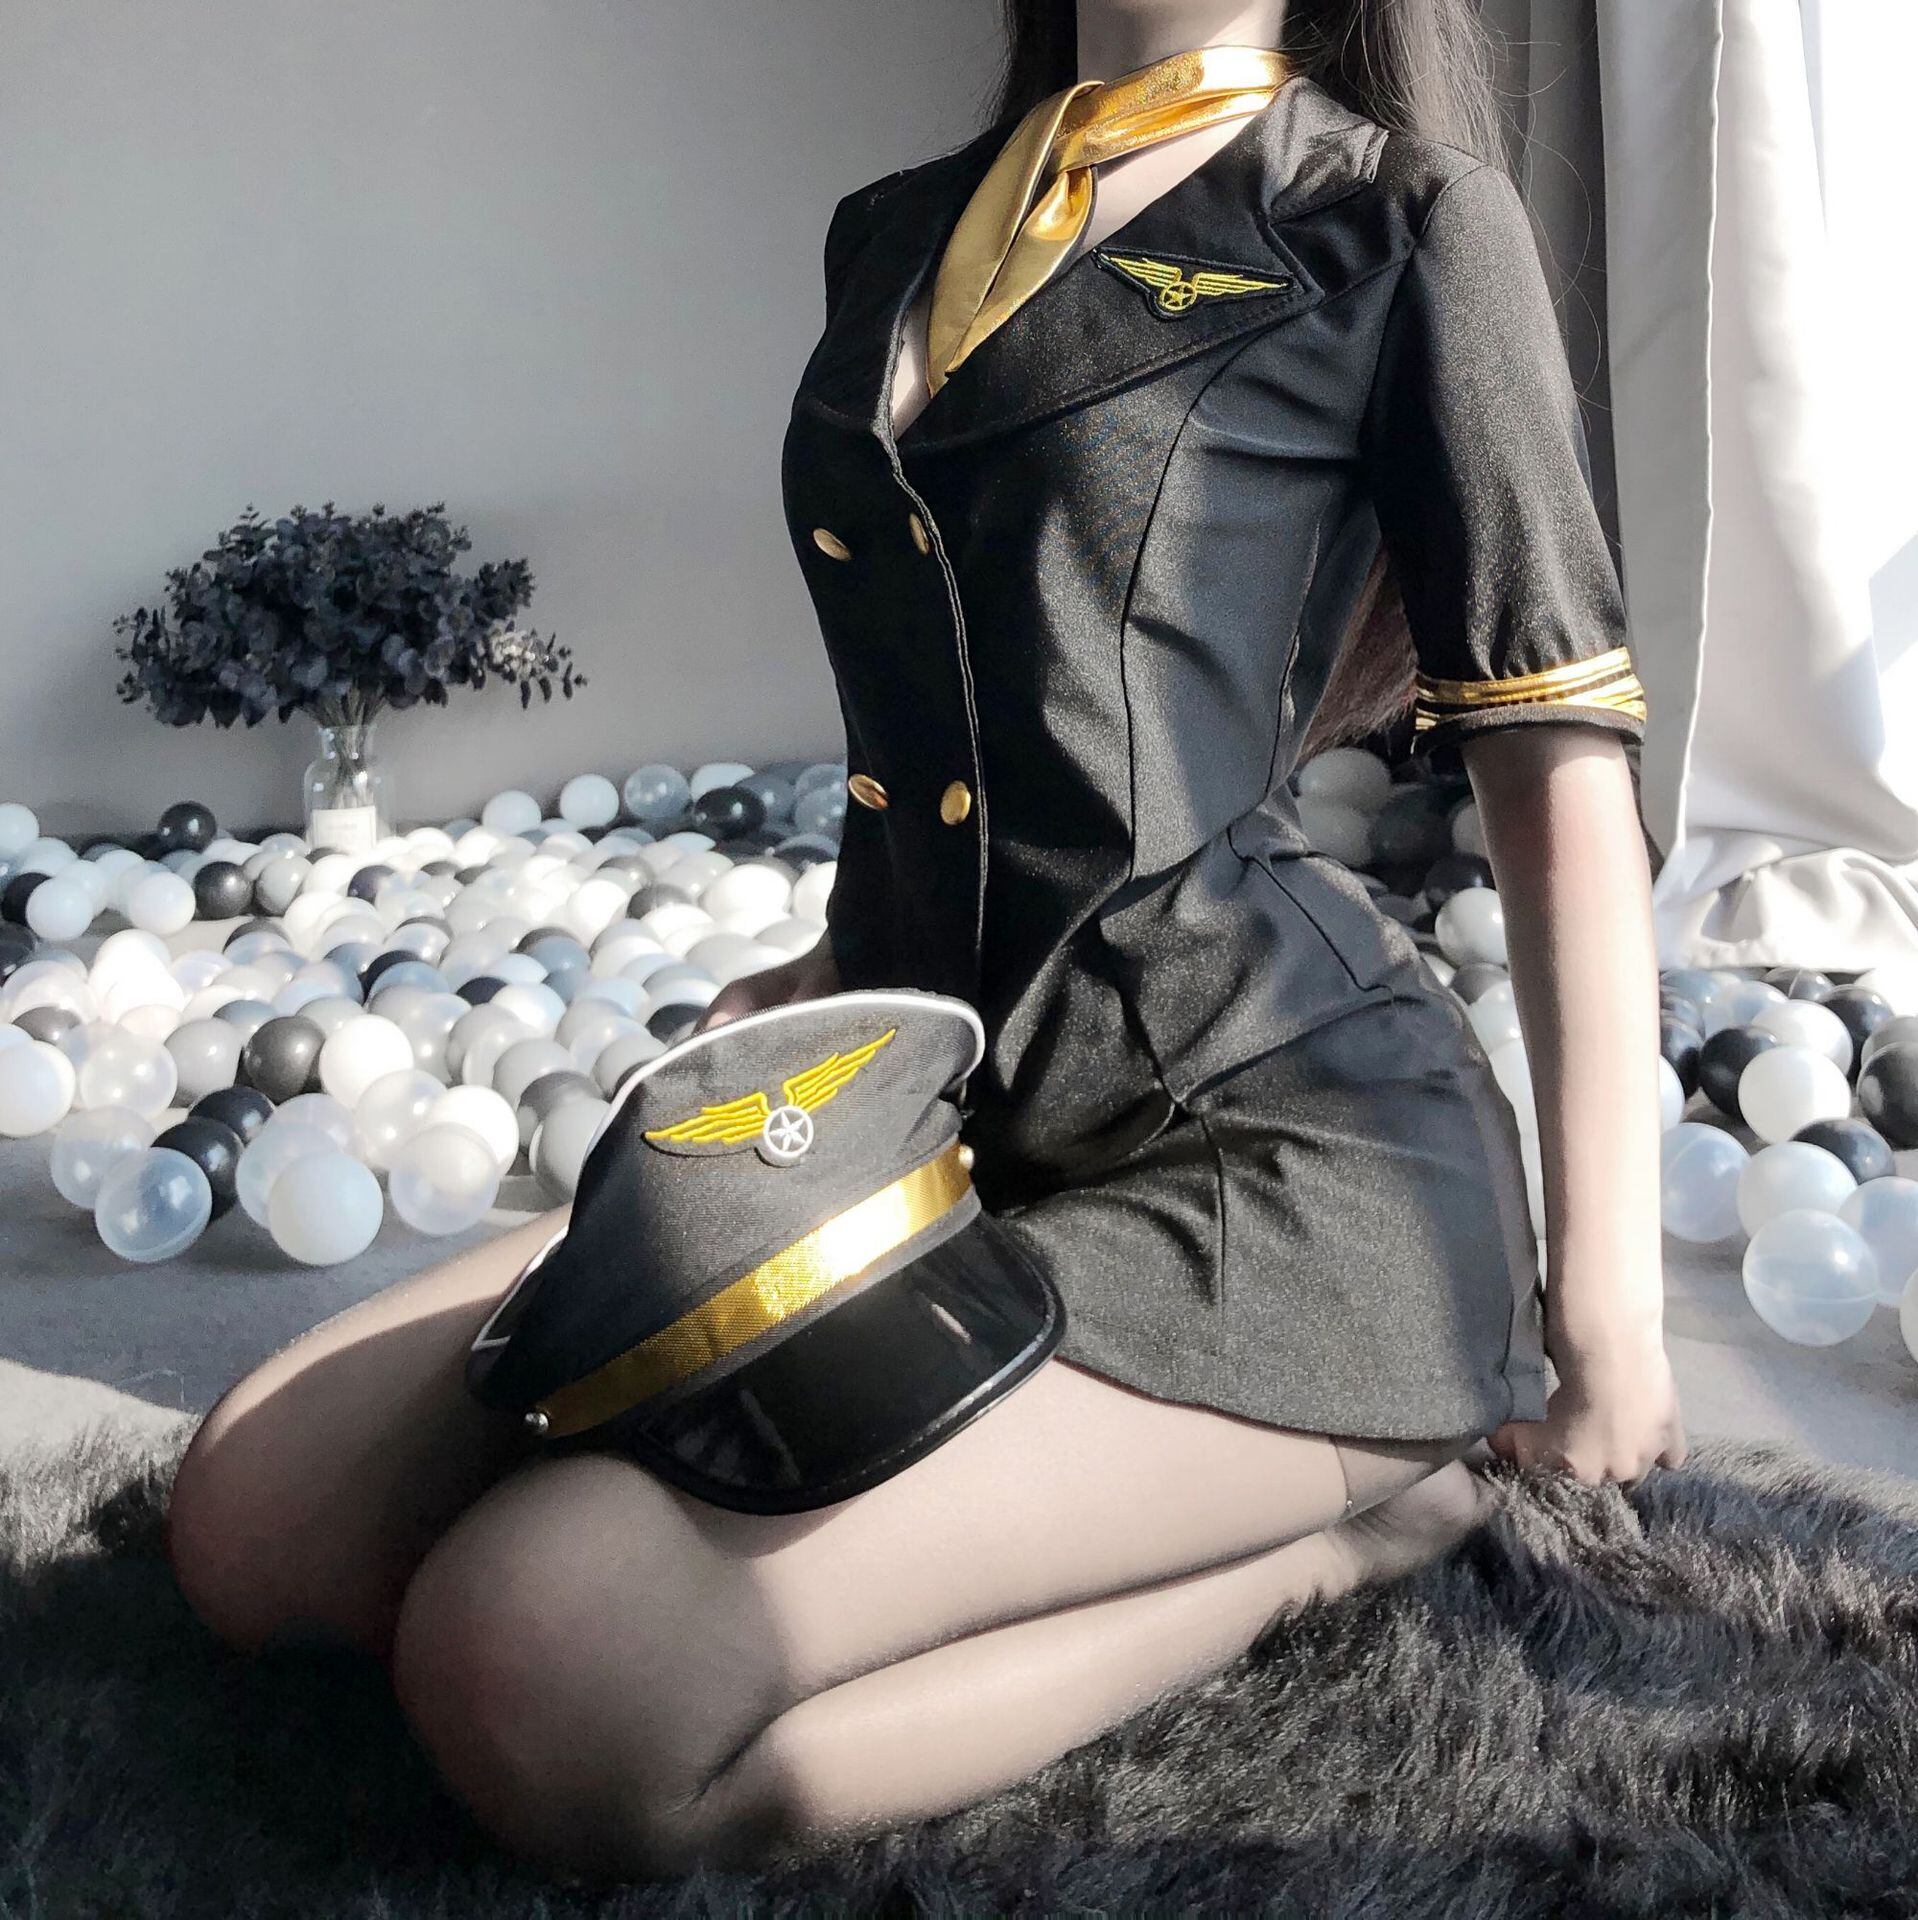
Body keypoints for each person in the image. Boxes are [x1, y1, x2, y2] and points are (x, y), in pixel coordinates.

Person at [162, 0, 1689, 1883]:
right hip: (925, 1113)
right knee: (259, 1518)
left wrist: (1605, 1315)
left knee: (541, 1664)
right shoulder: (896, 230)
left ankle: (1342, 1536)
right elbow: (959, 700)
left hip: (1282, 1163)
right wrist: (828, 976)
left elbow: (1555, 760)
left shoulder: (1395, 223)